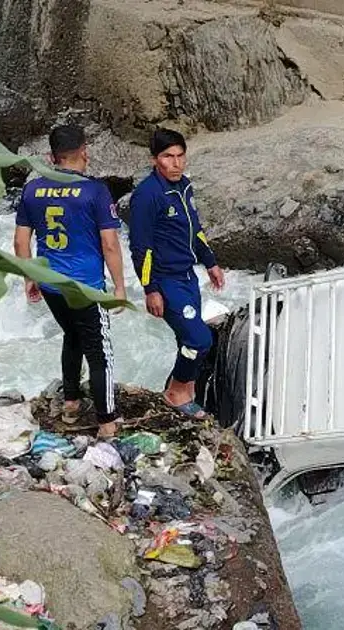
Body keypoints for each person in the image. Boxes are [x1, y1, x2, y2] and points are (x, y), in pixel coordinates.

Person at [14, 124, 127, 438]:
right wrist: (118, 287)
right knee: (99, 351)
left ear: (51, 156)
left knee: (71, 335)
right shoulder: (95, 190)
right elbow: (110, 244)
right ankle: (107, 422)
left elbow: (21, 242)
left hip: (51, 283)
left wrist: (30, 277)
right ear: (85, 151)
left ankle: (72, 402)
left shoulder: (32, 190)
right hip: (86, 286)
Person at [128, 127, 225, 420]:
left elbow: (196, 228)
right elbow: (140, 248)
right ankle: (176, 394)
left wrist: (210, 262)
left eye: (180, 156)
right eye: (168, 157)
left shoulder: (183, 186)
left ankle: (184, 388)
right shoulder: (147, 196)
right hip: (166, 280)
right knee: (199, 340)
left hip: (187, 275)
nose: (176, 163)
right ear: (155, 159)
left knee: (187, 339)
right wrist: (150, 289)